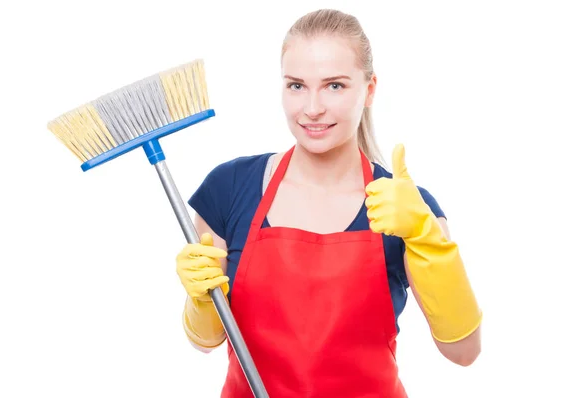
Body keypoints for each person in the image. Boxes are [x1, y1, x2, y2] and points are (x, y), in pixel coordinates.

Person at [175, 8, 482, 397]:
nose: (312, 108)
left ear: (369, 90)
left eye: (334, 86)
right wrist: (199, 300)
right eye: (296, 85)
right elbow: (206, 342)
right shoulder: (231, 188)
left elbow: (463, 351)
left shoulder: (404, 207)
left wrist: (427, 239)